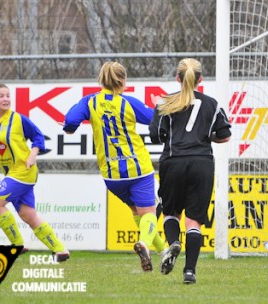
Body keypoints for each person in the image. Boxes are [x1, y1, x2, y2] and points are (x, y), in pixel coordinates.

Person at [63, 61, 165, 272]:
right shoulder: (128, 103)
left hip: (112, 176)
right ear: (123, 80)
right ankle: (144, 244)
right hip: (137, 169)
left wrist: (71, 128)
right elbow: (154, 120)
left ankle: (163, 252)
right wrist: (158, 106)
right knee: (150, 213)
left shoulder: (90, 102)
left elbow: (70, 121)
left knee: (137, 212)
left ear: (101, 79)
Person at [149, 58, 231, 284]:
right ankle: (189, 272)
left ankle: (174, 242)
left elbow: (156, 136)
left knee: (171, 213)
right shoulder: (212, 104)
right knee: (194, 222)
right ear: (200, 80)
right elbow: (225, 135)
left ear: (178, 78)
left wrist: (157, 109)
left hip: (173, 162)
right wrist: (206, 138)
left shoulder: (166, 103)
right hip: (202, 163)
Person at [0, 84, 69, 262]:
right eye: (1, 96)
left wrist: (32, 155)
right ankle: (60, 250)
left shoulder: (18, 119)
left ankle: (17, 244)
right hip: (11, 174)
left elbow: (38, 136)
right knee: (28, 215)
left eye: (8, 95)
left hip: (24, 171)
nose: (6, 99)